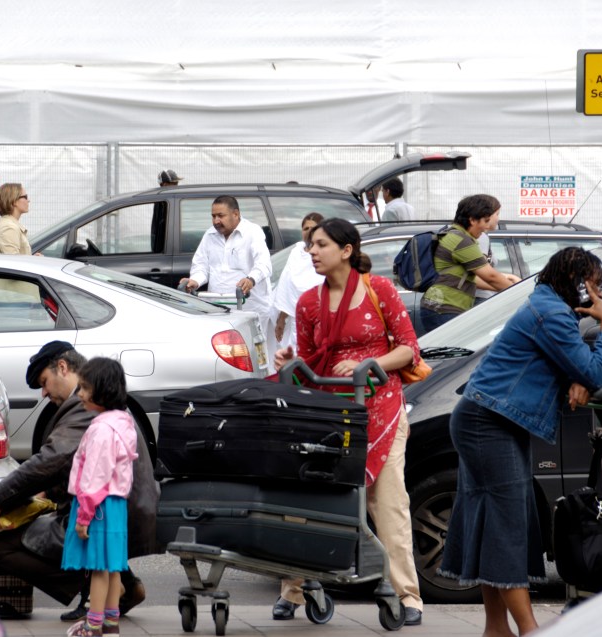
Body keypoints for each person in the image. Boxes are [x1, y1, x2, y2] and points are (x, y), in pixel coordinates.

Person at [439, 247, 602, 635]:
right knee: (508, 526)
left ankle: (496, 628)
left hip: (489, 420)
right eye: (595, 285)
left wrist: (574, 374)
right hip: (487, 422)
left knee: (496, 524)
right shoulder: (552, 314)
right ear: (578, 281)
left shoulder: (549, 306)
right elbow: (592, 371)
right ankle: (529, 629)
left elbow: (574, 365)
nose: (598, 295)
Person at [273, 218, 424, 626]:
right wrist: (294, 364)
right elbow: (310, 361)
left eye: (320, 244)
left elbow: (409, 350)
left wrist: (367, 362)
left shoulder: (380, 291)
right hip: (330, 412)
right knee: (307, 499)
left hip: (382, 412)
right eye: (310, 246)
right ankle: (294, 589)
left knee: (387, 504)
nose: (312, 252)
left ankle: (407, 597)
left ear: (347, 249)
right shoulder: (308, 302)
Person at [0, 341, 156, 619]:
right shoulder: (105, 406)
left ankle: (103, 593)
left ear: (62, 367)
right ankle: (118, 586)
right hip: (123, 510)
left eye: (44, 382)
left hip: (102, 513)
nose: (44, 393)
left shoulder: (88, 407)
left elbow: (54, 459)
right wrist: (46, 493)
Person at [61, 357, 138, 637]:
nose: (79, 394)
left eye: (84, 388)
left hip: (98, 506)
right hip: (115, 504)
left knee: (98, 568)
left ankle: (93, 626)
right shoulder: (123, 422)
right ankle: (110, 623)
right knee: (113, 564)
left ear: (101, 390)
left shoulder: (101, 429)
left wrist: (83, 516)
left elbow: (94, 476)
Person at [419, 194, 516, 331]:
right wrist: (520, 293)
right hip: (445, 308)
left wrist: (507, 284)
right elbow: (490, 276)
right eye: (486, 220)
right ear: (472, 220)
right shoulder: (462, 241)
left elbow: (473, 278)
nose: (486, 227)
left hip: (438, 307)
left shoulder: (453, 234)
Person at [180, 195, 273, 327]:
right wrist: (195, 281)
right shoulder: (209, 235)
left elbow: (264, 264)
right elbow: (201, 266)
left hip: (250, 310)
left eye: (220, 216)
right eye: (213, 216)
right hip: (219, 311)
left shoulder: (252, 232)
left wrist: (251, 280)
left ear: (236, 214)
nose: (216, 221)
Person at [272, 212, 324, 349]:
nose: (309, 232)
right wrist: (282, 318)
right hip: (295, 319)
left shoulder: (325, 255)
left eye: (313, 228)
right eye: (306, 229)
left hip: (320, 318)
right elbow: (286, 286)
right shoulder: (296, 252)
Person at [473, 209, 521, 306]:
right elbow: (480, 273)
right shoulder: (480, 237)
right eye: (497, 214)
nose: (498, 218)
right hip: (480, 296)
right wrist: (513, 285)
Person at [0, 182, 36, 255]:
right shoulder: (9, 228)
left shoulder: (2, 223)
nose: (28, 200)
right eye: (25, 197)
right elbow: (14, 264)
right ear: (13, 201)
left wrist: (33, 259)